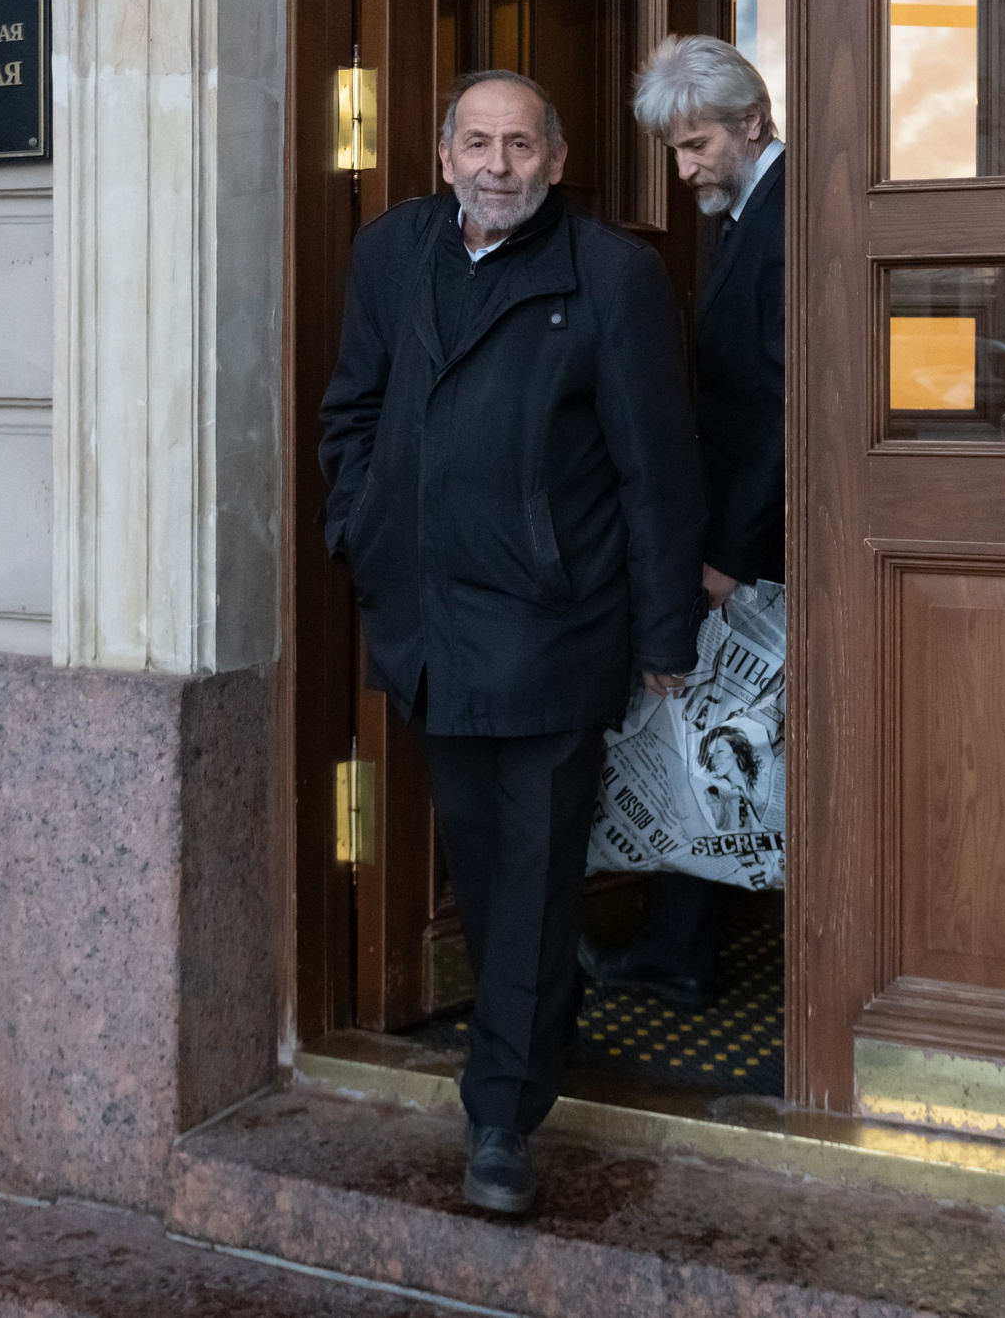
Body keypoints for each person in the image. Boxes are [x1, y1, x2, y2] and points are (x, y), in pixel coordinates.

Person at [318, 70, 702, 1216]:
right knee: (487, 875)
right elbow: (350, 408)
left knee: (534, 884)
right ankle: (511, 1060)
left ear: (557, 154)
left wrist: (665, 628)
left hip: (551, 628)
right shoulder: (391, 254)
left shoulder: (613, 275)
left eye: (520, 146)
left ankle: (500, 1115)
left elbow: (656, 465)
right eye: (476, 144)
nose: (497, 166)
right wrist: (363, 526)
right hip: (430, 624)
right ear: (441, 156)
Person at [580, 34, 787, 1010]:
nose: (684, 167)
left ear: (752, 122)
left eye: (696, 142)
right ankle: (678, 944)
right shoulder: (748, 211)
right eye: (673, 148)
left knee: (720, 734)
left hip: (756, 542)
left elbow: (785, 411)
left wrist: (724, 555)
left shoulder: (786, 217)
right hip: (737, 528)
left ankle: (681, 948)